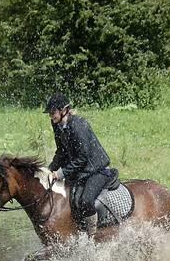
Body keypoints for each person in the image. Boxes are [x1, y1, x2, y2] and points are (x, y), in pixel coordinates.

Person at [44, 92, 116, 238]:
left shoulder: (78, 125)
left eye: (53, 112)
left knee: (86, 200)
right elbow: (61, 152)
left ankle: (93, 236)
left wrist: (60, 173)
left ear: (64, 110)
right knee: (71, 200)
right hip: (81, 171)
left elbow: (83, 158)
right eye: (50, 113)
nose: (51, 116)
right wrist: (49, 169)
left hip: (97, 170)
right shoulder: (57, 124)